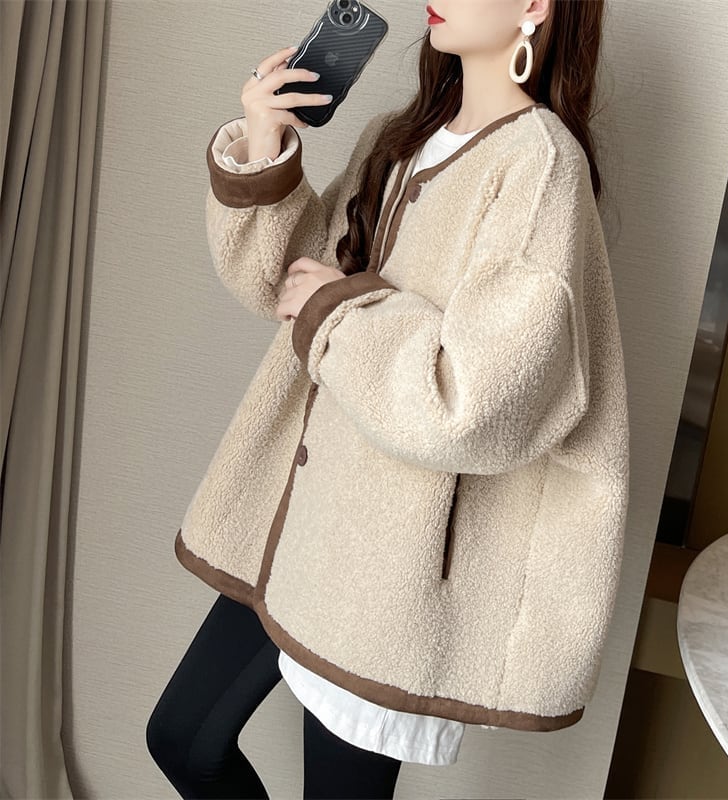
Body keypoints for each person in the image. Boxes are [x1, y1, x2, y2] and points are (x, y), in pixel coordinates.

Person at [147, 0, 629, 798]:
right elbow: (289, 287)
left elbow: (479, 397)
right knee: (183, 739)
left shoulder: (540, 166)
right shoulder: (396, 139)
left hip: (389, 563)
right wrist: (264, 140)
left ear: (535, 7)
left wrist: (341, 308)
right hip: (300, 520)